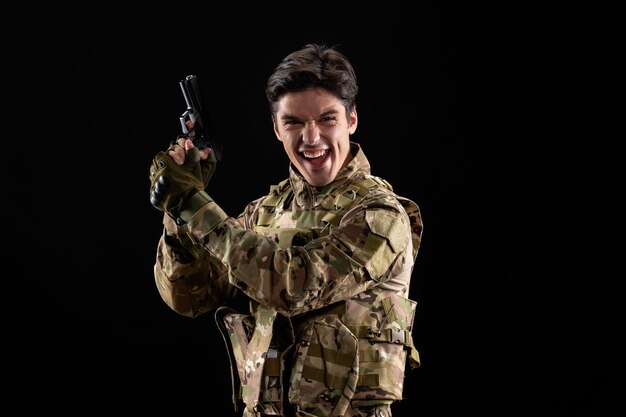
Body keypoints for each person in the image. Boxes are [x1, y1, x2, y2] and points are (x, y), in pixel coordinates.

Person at [148, 43, 424, 417]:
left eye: (327, 119)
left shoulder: (380, 216)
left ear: (352, 120)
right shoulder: (265, 212)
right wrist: (179, 215)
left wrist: (193, 205)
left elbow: (293, 287)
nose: (311, 139)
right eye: (293, 122)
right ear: (277, 128)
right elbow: (188, 295)